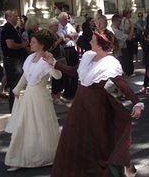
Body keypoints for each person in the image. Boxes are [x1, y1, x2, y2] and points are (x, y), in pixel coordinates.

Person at [44, 31, 143, 177]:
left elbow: (121, 84)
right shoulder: (88, 56)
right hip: (80, 103)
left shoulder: (110, 63)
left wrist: (137, 103)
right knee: (72, 138)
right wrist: (54, 63)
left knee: (97, 141)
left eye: (93, 40)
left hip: (96, 105)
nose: (90, 41)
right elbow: (75, 72)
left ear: (101, 44)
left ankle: (120, 164)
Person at [4, 30, 62, 172]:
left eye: (34, 42)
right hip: (29, 95)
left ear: (42, 45)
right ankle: (19, 159)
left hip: (42, 97)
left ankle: (49, 156)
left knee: (43, 126)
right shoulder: (30, 58)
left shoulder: (47, 58)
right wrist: (17, 89)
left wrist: (52, 63)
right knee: (23, 126)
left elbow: (58, 76)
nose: (30, 43)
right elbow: (25, 75)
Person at [1, 10, 28, 111]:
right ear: (9, 17)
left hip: (15, 59)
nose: (17, 18)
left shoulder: (13, 28)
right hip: (12, 60)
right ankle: (13, 107)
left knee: (16, 82)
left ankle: (15, 105)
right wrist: (23, 45)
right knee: (14, 83)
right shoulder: (8, 28)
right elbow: (10, 45)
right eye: (15, 16)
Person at [57, 12, 79, 100]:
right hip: (65, 50)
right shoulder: (58, 27)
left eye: (67, 18)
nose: (67, 20)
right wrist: (68, 36)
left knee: (75, 69)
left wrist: (69, 36)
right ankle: (67, 92)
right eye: (65, 18)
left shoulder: (69, 25)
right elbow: (63, 39)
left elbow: (76, 34)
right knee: (66, 71)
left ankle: (74, 90)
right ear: (61, 19)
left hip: (72, 49)